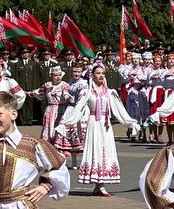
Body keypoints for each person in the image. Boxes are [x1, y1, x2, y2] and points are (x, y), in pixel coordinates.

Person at [57, 62, 139, 196]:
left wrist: (131, 123)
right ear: (92, 76)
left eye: (102, 73)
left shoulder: (110, 93)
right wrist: (65, 124)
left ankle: (100, 185)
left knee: (106, 151)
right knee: (95, 151)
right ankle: (98, 185)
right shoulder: (87, 93)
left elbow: (119, 111)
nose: (101, 75)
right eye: (98, 73)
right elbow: (77, 110)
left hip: (106, 125)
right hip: (94, 124)